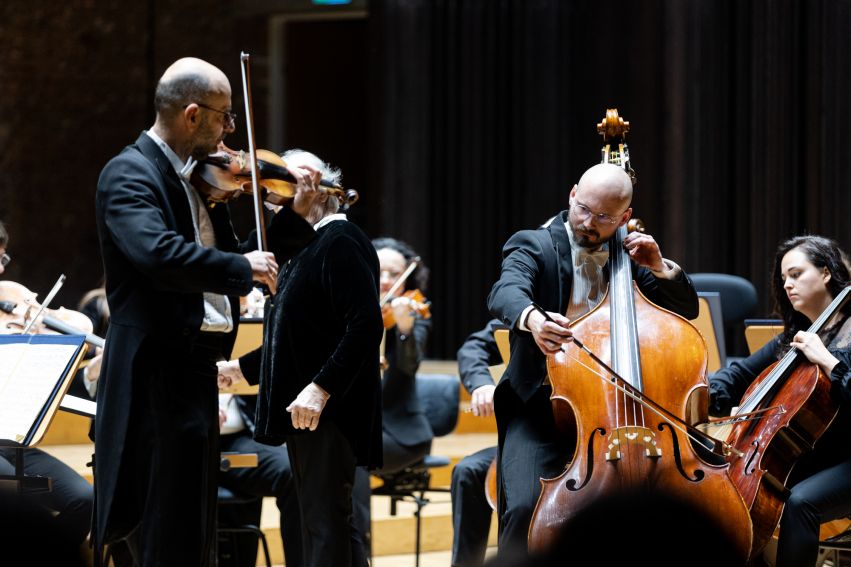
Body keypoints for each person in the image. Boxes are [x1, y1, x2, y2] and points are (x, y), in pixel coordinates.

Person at [94, 57, 319, 565]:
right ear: (193, 116)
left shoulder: (195, 183)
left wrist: (294, 216)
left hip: (195, 374)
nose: (230, 133)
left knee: (194, 535)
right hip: (154, 378)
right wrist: (240, 264)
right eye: (224, 117)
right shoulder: (130, 174)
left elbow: (250, 264)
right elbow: (158, 254)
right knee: (163, 534)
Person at [486, 162, 699, 556]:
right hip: (540, 406)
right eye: (584, 208)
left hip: (618, 410)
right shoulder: (533, 244)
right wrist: (533, 319)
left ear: (625, 217)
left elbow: (686, 310)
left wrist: (659, 267)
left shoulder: (631, 258)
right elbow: (505, 291)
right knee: (521, 509)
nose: (589, 222)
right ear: (572, 194)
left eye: (603, 216)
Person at [218, 149, 383, 567]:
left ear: (312, 184)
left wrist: (320, 388)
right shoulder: (303, 245)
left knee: (326, 526)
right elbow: (294, 338)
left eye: (280, 189)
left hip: (328, 411)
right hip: (304, 410)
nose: (272, 200)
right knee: (325, 525)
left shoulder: (341, 240)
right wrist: (241, 369)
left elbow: (365, 327)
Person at [709, 234, 851, 567]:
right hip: (814, 455)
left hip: (847, 456)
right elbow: (735, 374)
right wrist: (716, 394)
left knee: (801, 502)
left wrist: (828, 361)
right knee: (740, 496)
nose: (787, 284)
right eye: (783, 278)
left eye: (796, 274)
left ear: (827, 272)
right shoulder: (795, 337)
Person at [0, 219, 93, 564]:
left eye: (4, 258)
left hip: (15, 439)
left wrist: (37, 331)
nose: (0, 269)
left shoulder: (11, 295)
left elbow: (80, 326)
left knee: (84, 498)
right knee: (11, 493)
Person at [351, 237, 433, 557]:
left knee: (354, 456)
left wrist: (403, 328)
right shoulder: (353, 309)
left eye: (394, 273)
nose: (386, 280)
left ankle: (360, 553)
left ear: (407, 278)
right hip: (359, 426)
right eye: (379, 271)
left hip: (400, 434)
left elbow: (410, 366)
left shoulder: (414, 311)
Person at [451, 318, 505, 567]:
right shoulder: (529, 309)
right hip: (530, 433)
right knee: (468, 471)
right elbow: (473, 348)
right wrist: (482, 383)